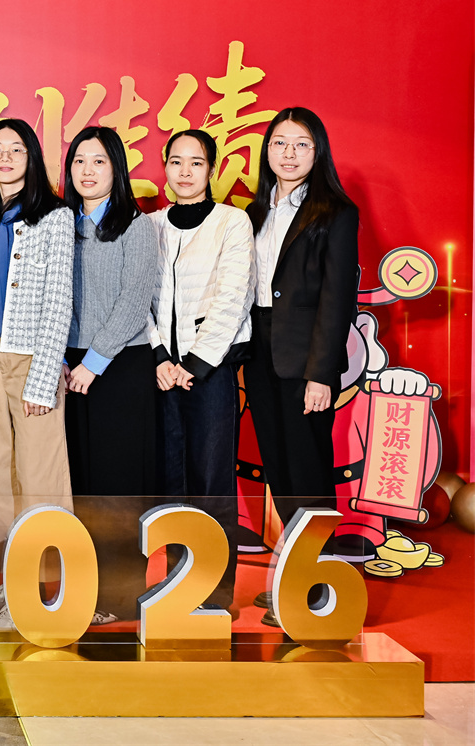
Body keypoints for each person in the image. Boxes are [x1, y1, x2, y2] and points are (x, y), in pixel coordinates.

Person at [244, 107, 358, 625]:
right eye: (279, 143)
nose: (288, 154)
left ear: (318, 151)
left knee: (308, 472)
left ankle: (317, 591)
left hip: (304, 358)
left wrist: (321, 374)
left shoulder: (335, 212)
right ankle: (295, 579)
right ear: (267, 150)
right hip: (259, 353)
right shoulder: (253, 212)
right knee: (280, 472)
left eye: (301, 144)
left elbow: (337, 301)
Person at [0, 118, 74, 631]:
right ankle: (11, 583)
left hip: (32, 358)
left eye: (16, 149)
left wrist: (44, 374)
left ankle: (42, 590)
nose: (5, 157)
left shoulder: (53, 216)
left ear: (32, 158)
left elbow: (59, 300)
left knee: (39, 477)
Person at [147, 129, 254, 612]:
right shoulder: (150, 225)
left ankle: (215, 593)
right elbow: (140, 298)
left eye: (196, 162)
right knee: (170, 480)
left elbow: (234, 297)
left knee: (211, 480)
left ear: (211, 169)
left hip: (209, 370)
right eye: (176, 161)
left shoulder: (232, 222)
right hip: (160, 372)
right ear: (165, 167)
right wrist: (159, 357)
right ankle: (177, 584)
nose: (185, 171)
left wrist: (192, 364)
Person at [62, 124, 158, 624]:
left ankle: (120, 597)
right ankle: (84, 589)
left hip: (119, 367)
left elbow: (134, 301)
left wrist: (93, 363)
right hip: (68, 365)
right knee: (80, 483)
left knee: (117, 487)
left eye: (98, 161)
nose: (87, 170)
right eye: (79, 160)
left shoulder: (134, 225)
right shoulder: (61, 224)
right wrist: (63, 359)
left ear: (116, 169)